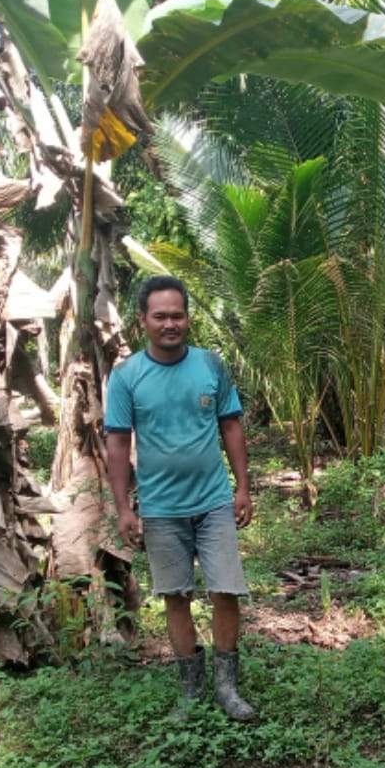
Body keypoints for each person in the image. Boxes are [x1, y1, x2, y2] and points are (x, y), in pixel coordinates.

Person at [104, 275, 257, 721]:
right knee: (176, 596)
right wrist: (123, 508)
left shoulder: (211, 365)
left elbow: (231, 426)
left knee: (225, 590)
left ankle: (227, 690)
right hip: (160, 508)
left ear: (188, 317)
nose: (170, 324)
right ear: (142, 320)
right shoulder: (128, 376)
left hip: (213, 502)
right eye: (160, 316)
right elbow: (117, 442)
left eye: (177, 315)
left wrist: (243, 486)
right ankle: (191, 692)